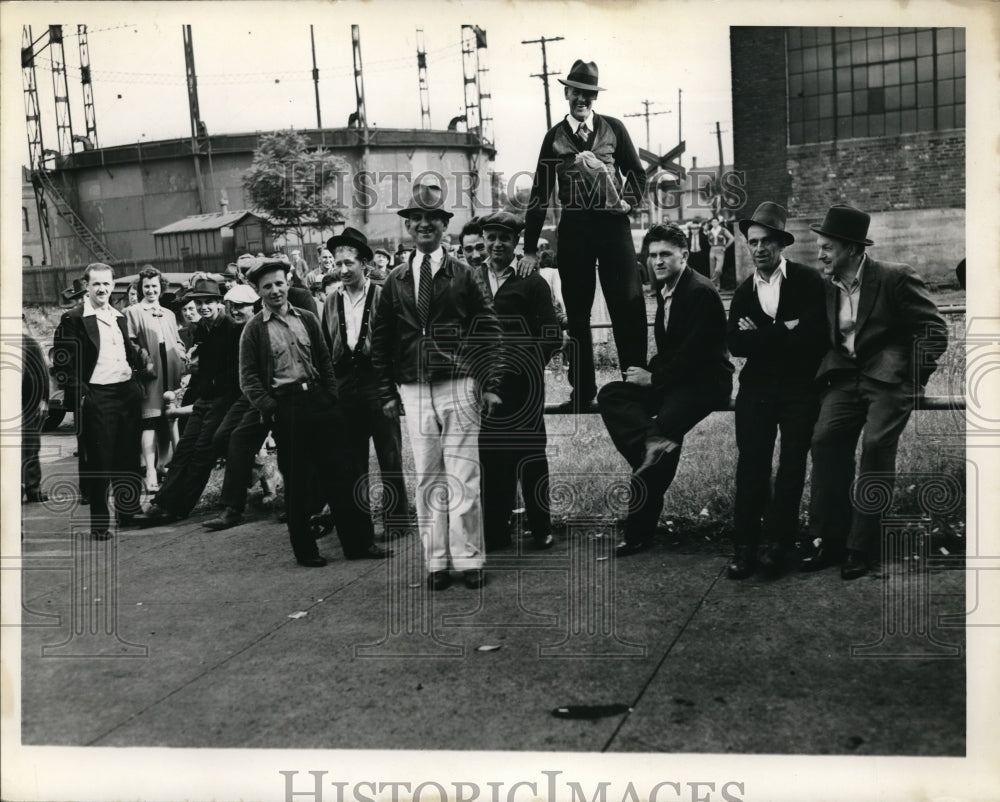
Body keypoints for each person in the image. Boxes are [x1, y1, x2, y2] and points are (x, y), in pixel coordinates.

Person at [799, 204, 948, 580]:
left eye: (827, 247)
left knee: (876, 447)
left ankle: (861, 546)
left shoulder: (895, 277)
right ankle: (828, 539)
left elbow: (933, 329)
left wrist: (911, 378)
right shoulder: (827, 285)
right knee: (824, 440)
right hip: (846, 377)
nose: (820, 254)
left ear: (851, 248)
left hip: (889, 380)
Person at [371, 182, 503, 590]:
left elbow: (489, 330)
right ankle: (437, 562)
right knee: (428, 475)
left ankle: (469, 560)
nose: (424, 225)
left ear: (445, 226)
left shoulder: (463, 274)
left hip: (459, 383)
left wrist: (491, 383)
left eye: (432, 219)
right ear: (408, 227)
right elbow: (381, 339)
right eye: (417, 220)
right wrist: (386, 392)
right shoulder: (394, 279)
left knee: (464, 475)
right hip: (413, 387)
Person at [240, 258, 390, 566]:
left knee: (344, 475)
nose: (275, 291)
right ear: (257, 291)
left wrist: (330, 396)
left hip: (321, 403)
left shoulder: (307, 317)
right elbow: (249, 379)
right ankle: (306, 551)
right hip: (287, 407)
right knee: (299, 482)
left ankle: (359, 544)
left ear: (289, 283)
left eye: (279, 283)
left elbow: (325, 359)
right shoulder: (254, 330)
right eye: (267, 286)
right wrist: (272, 408)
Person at [597, 224, 733, 556]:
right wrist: (646, 372)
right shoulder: (666, 289)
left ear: (684, 255)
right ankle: (648, 445)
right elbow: (674, 350)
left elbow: (696, 354)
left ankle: (638, 532)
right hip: (678, 378)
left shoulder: (699, 291)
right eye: (652, 255)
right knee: (613, 393)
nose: (657, 261)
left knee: (660, 439)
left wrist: (654, 380)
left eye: (665, 255)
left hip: (705, 382)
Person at [520, 59, 648, 412]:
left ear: (595, 97)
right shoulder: (553, 137)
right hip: (574, 229)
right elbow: (539, 193)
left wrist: (628, 204)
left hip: (614, 228)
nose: (583, 99)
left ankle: (635, 385)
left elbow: (638, 175)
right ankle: (583, 391)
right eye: (577, 92)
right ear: (566, 93)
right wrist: (530, 249)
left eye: (589, 94)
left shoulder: (614, 129)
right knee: (577, 313)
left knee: (628, 304)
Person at [725, 203, 828, 580]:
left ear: (781, 244)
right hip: (756, 391)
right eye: (753, 241)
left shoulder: (806, 281)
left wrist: (761, 336)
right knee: (751, 465)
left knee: (791, 467)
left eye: (768, 240)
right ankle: (745, 546)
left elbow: (814, 338)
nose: (760, 248)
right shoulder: (742, 292)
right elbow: (736, 344)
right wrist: (784, 328)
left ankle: (777, 545)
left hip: (799, 390)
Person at [476, 212, 561, 551]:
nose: (497, 244)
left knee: (531, 458)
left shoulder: (532, 282)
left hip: (524, 386)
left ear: (516, 243)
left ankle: (541, 528)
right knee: (492, 459)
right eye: (491, 237)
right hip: (484, 388)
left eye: (505, 238)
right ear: (484, 240)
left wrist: (527, 364)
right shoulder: (470, 279)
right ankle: (495, 531)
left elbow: (552, 334)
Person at [321, 227, 410, 536]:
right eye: (337, 263)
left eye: (349, 263)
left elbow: (399, 341)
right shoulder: (332, 301)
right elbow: (324, 346)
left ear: (365, 264)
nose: (343, 270)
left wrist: (394, 386)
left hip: (378, 383)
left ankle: (397, 521)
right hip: (345, 385)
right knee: (352, 458)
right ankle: (359, 525)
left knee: (389, 455)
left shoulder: (384, 294)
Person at [134, 278, 242, 525]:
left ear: (219, 303)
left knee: (202, 453)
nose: (203, 307)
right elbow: (201, 367)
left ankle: (178, 508)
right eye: (199, 302)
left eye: (208, 302)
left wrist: (212, 386)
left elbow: (235, 371)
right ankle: (162, 502)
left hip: (224, 400)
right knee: (183, 450)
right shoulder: (203, 329)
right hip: (205, 398)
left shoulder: (232, 329)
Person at [52, 263, 144, 539]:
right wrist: (83, 394)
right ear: (87, 286)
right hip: (98, 395)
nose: (102, 289)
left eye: (107, 284)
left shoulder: (119, 316)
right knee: (100, 460)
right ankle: (100, 524)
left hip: (126, 393)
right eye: (96, 284)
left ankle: (129, 511)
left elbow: (128, 353)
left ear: (112, 285)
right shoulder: (75, 318)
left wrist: (136, 380)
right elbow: (62, 364)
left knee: (128, 455)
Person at [124, 265, 187, 491]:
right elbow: (129, 342)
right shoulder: (133, 312)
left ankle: (163, 465)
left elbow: (177, 339)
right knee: (149, 420)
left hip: (172, 371)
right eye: (147, 287)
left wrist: (182, 353)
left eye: (155, 286)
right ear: (141, 289)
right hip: (150, 373)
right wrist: (143, 358)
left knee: (168, 418)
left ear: (161, 288)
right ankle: (150, 470)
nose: (151, 290)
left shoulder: (169, 313)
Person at [22, 316, 50, 503]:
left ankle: (33, 488)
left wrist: (43, 399)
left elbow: (42, 373)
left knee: (30, 446)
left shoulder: (29, 343)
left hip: (29, 403)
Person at [706, 216, 735, 290]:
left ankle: (710, 284)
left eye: (716, 222)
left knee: (718, 269)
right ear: (711, 223)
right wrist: (711, 246)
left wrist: (725, 247)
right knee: (712, 270)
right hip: (712, 250)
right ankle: (716, 287)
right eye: (713, 222)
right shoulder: (710, 231)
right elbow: (709, 241)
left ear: (718, 222)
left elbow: (732, 238)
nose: (714, 223)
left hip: (720, 250)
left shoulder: (723, 230)